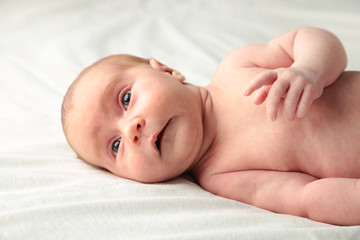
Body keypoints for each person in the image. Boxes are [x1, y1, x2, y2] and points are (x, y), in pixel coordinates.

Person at [61, 27, 360, 225]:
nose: (131, 129)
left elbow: (307, 38)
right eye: (115, 146)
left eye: (126, 99)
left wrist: (309, 69)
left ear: (166, 70)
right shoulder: (223, 178)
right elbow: (307, 198)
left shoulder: (236, 68)